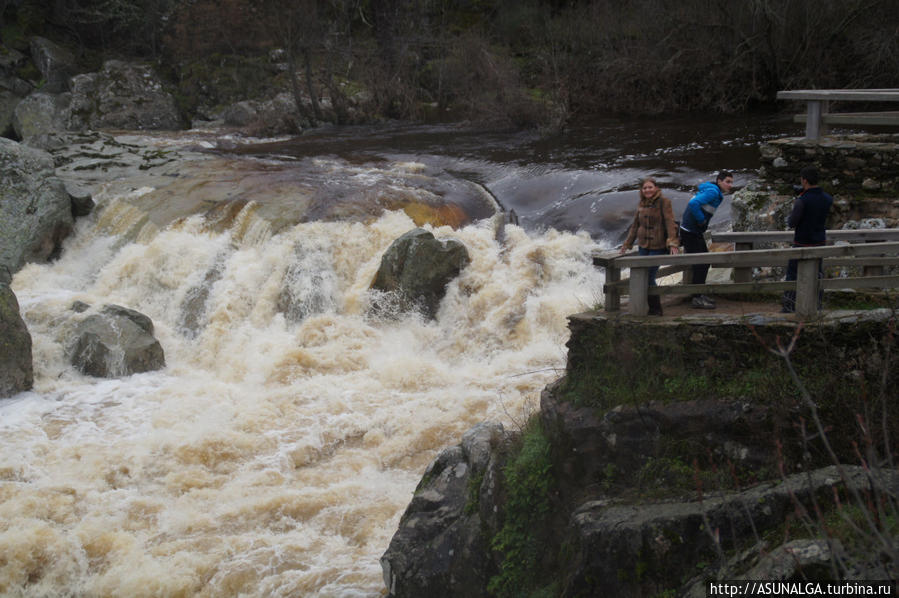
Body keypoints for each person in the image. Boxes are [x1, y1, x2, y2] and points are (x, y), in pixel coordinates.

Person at [620, 177, 679, 315]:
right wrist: (626, 244)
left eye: (650, 187)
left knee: (649, 276)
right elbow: (635, 225)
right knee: (643, 275)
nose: (647, 190)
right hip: (643, 246)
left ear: (656, 188)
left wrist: (672, 243)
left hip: (657, 245)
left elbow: (670, 223)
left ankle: (656, 309)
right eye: (645, 188)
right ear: (642, 190)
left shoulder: (664, 202)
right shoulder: (642, 203)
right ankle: (646, 307)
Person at [678, 171, 734, 309]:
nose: (730, 185)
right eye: (727, 181)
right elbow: (694, 204)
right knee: (701, 263)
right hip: (691, 232)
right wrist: (701, 220)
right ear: (719, 181)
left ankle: (698, 294)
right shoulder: (713, 192)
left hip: (692, 231)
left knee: (703, 262)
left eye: (731, 182)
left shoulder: (713, 190)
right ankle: (696, 297)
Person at [781, 166, 833, 313]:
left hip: (801, 243)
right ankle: (817, 304)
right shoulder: (827, 199)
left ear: (804, 180)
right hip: (819, 241)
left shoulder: (802, 201)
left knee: (793, 275)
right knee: (818, 274)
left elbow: (792, 222)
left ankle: (789, 306)